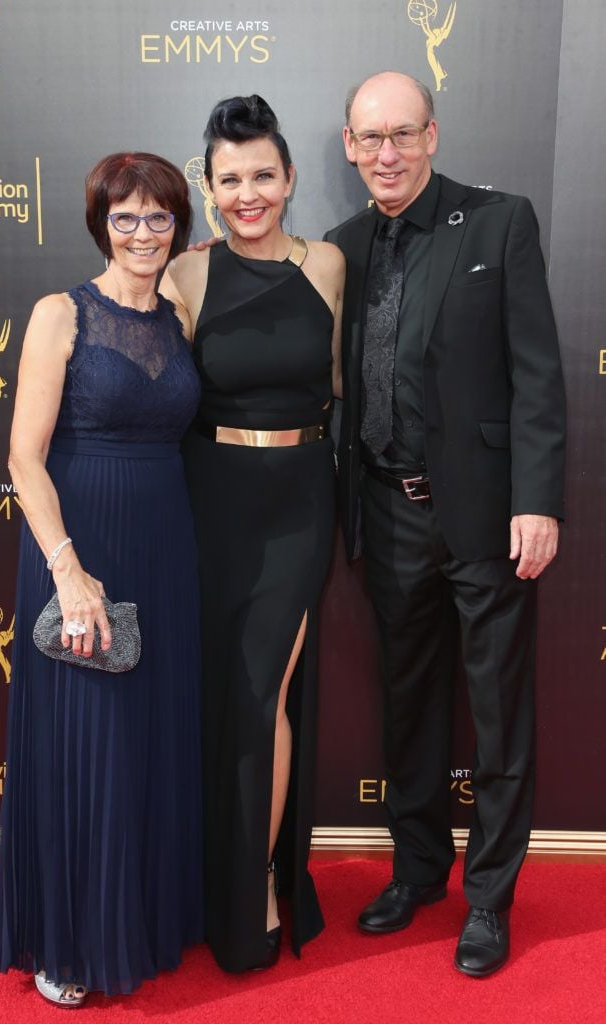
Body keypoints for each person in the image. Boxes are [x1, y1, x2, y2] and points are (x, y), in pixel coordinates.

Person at [325, 72, 566, 977]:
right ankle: (418, 871)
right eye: (368, 138)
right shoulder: (342, 248)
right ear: (347, 147)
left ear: (431, 134)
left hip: (486, 516)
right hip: (385, 516)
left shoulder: (499, 222)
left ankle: (490, 900)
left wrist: (536, 498)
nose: (385, 153)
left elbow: (537, 373)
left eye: (401, 134)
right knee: (410, 708)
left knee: (498, 714)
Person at [0, 152, 204, 1004]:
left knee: (148, 736)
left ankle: (141, 917)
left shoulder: (180, 309)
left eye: (158, 219)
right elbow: (21, 457)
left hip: (166, 544)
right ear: (100, 224)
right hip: (80, 546)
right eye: (126, 218)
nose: (143, 234)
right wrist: (67, 573)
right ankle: (68, 939)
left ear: (176, 226)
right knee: (89, 741)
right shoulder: (59, 313)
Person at [160, 95, 345, 973]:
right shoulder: (186, 275)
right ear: (207, 187)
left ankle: (258, 887)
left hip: (301, 501)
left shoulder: (329, 266)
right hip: (208, 498)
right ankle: (206, 880)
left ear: (289, 177)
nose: (246, 194)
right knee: (217, 695)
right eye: (228, 179)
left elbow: (342, 383)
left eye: (262, 175)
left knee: (262, 692)